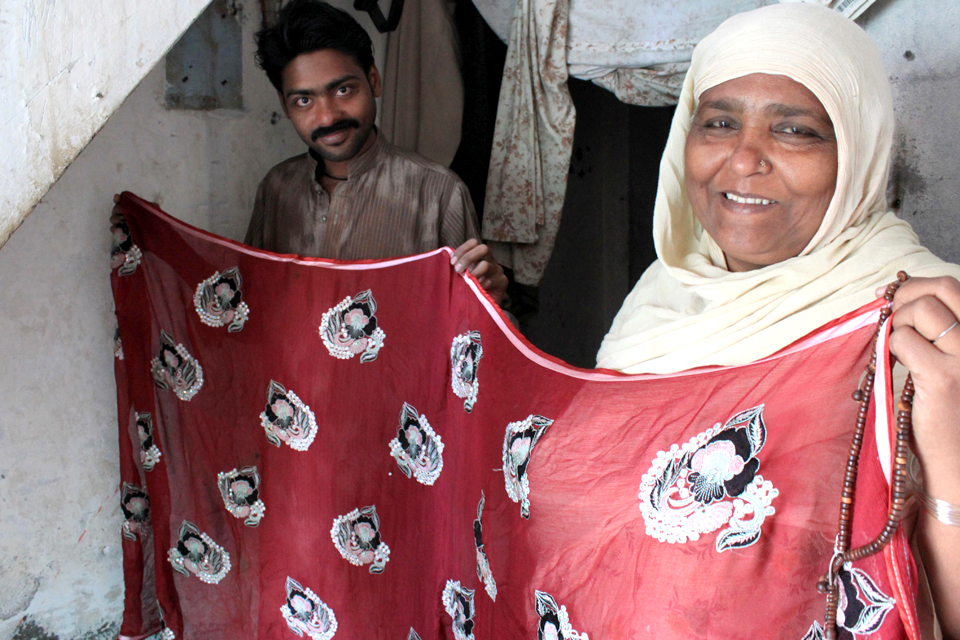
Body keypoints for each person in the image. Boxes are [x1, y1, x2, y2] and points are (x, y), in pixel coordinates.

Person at [595, 4, 960, 637]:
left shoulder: (930, 324)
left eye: (794, 131)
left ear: (857, 152)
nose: (743, 159)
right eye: (719, 122)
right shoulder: (660, 301)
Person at [243, 0, 506, 303]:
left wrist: (493, 299)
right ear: (284, 105)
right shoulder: (276, 189)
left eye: (342, 90)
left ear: (373, 80)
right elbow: (254, 304)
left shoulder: (439, 193)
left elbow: (473, 321)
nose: (327, 117)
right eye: (304, 100)